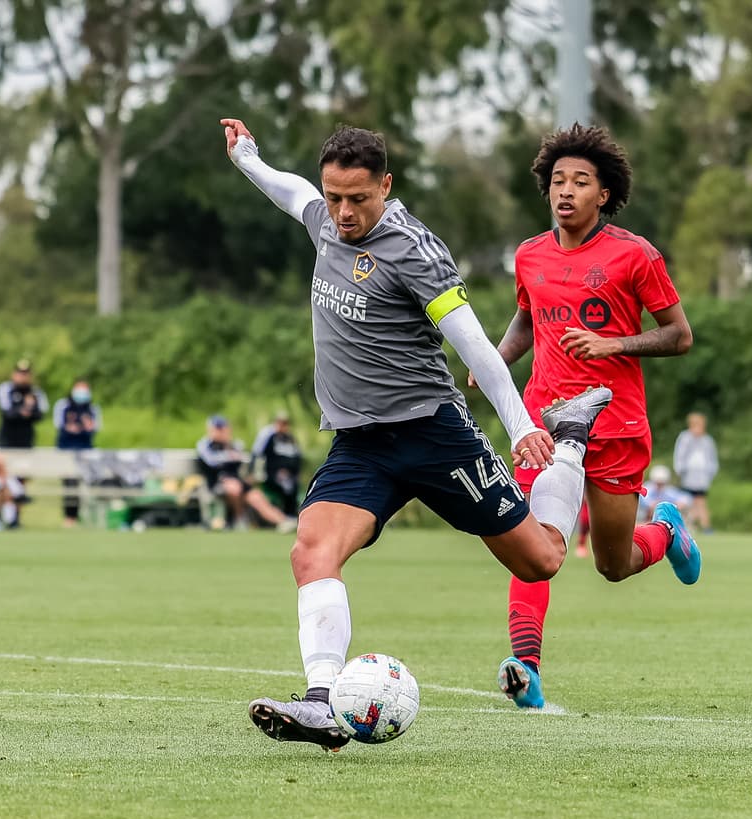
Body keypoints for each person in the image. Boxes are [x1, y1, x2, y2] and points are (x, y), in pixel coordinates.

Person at [223, 117, 606, 751]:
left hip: (433, 433)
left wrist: (523, 427)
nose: (342, 213)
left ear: (386, 186)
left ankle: (570, 439)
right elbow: (293, 194)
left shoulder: (413, 250)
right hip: (362, 444)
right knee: (311, 551)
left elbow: (475, 345)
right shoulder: (324, 217)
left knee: (540, 561)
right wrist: (248, 160)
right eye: (335, 196)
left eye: (357, 200)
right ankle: (320, 703)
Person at [480, 123, 702, 710]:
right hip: (546, 423)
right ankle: (525, 667)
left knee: (612, 563)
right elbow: (527, 321)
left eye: (581, 181)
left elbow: (680, 336)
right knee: (533, 541)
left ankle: (667, 532)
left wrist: (616, 345)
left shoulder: (635, 255)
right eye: (557, 180)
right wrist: (495, 361)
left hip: (617, 425)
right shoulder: (529, 255)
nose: (566, 191)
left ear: (603, 194)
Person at [197, 414, 293, 531]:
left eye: (223, 428)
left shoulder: (233, 444)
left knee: (256, 497)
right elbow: (211, 461)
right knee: (234, 488)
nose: (221, 431)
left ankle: (283, 522)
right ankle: (239, 519)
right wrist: (229, 455)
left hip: (237, 481)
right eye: (218, 429)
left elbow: (242, 458)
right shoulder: (204, 444)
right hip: (216, 483)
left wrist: (229, 450)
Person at [0, 359, 47, 528]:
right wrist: (24, 410)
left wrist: (25, 411)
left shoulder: (36, 392)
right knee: (6, 479)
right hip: (7, 441)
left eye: (26, 374)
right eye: (20, 373)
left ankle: (15, 519)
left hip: (26, 442)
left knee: (21, 480)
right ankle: (3, 516)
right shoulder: (6, 389)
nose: (22, 377)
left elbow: (40, 414)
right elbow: (8, 413)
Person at [54, 378, 102, 527]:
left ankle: (87, 517)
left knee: (89, 483)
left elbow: (95, 428)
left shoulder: (93, 408)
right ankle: (70, 517)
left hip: (85, 450)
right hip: (66, 449)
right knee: (69, 484)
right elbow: (60, 425)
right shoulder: (63, 405)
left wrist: (87, 427)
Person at [251, 411, 303, 518]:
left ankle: (291, 513)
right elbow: (257, 454)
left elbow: (297, 458)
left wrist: (296, 473)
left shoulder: (291, 439)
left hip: (290, 475)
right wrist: (254, 472)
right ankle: (286, 515)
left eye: (285, 423)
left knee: (293, 484)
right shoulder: (270, 437)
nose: (282, 426)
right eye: (280, 423)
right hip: (273, 474)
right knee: (286, 484)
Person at [674, 411, 718, 532]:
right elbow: (679, 456)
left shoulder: (707, 440)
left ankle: (704, 526)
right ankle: (690, 526)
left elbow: (712, 459)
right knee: (689, 502)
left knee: (700, 501)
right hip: (687, 477)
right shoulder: (685, 438)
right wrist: (680, 471)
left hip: (702, 478)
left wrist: (710, 475)